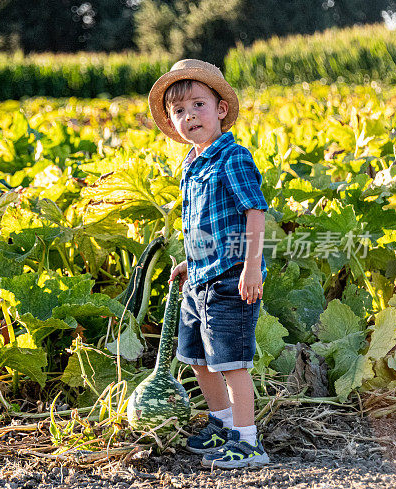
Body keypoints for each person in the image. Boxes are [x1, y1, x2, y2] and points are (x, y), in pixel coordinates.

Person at [148, 59, 270, 469]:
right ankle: (222, 426)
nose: (189, 116)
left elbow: (254, 212)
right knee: (199, 360)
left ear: (220, 110)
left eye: (198, 105)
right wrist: (190, 261)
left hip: (232, 279)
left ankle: (248, 442)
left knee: (232, 364)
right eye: (179, 111)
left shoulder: (231, 158)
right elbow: (203, 224)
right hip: (200, 277)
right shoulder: (191, 165)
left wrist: (252, 268)